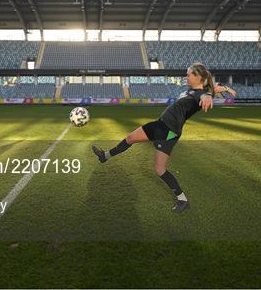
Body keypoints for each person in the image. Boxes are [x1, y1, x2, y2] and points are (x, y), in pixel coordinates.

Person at [91, 63, 236, 212]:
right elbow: (213, 89)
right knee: (130, 138)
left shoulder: (199, 95)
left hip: (169, 132)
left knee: (159, 169)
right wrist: (226, 89)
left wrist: (208, 97)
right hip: (159, 125)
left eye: (188, 75)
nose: (186, 77)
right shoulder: (196, 90)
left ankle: (182, 200)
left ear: (198, 77)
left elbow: (205, 95)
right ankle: (105, 156)